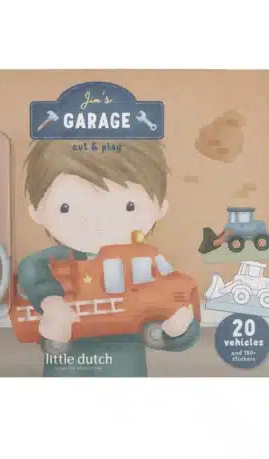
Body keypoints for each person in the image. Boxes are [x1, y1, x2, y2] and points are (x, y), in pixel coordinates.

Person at [18, 139, 200, 376]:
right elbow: (31, 269)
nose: (98, 222)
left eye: (129, 206)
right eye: (66, 207)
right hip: (67, 370)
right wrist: (51, 302)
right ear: (36, 212)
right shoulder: (61, 260)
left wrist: (177, 331)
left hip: (125, 370)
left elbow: (182, 330)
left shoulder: (145, 260)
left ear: (161, 208)